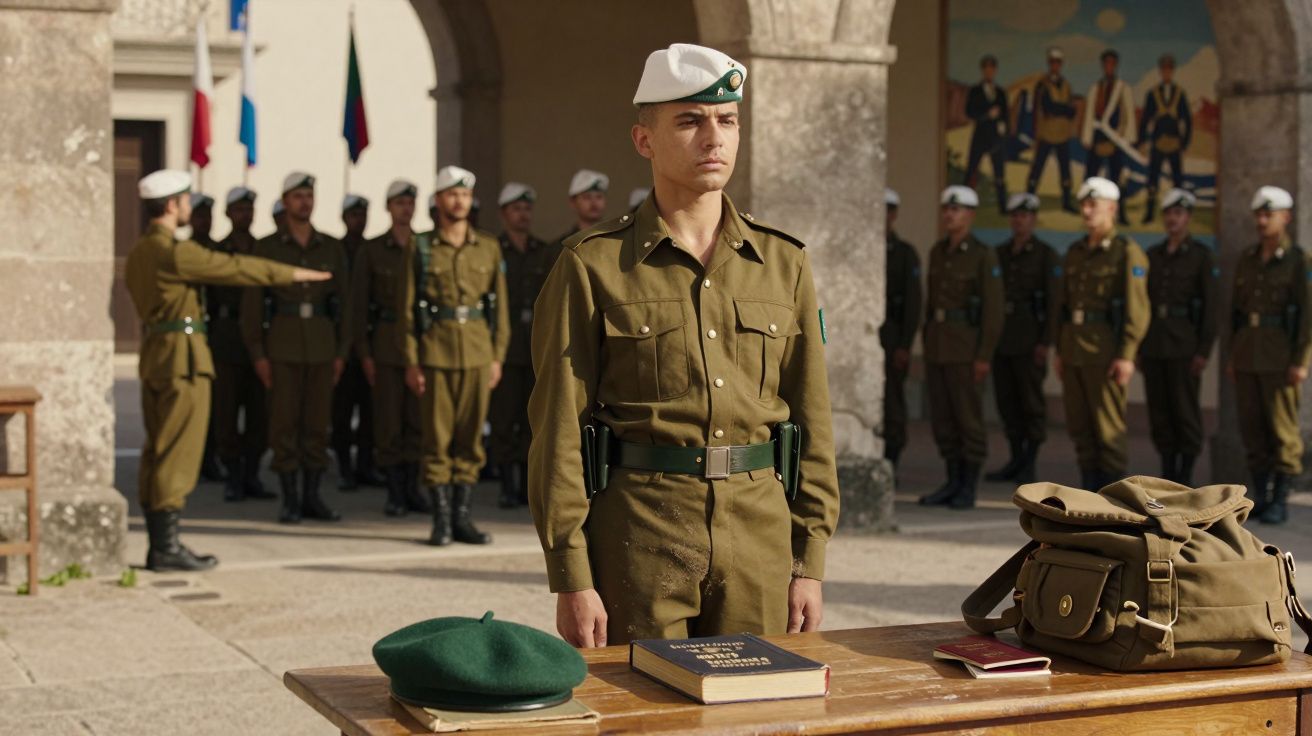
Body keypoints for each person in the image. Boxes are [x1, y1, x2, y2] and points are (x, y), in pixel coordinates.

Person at [530, 43, 840, 647]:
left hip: (759, 540)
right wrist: (571, 574)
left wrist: (810, 558)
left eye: (727, 121)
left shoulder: (784, 264)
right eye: (690, 120)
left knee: (755, 713)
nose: (713, 138)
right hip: (639, 539)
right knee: (644, 714)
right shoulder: (592, 265)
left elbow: (813, 421)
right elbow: (559, 430)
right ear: (644, 140)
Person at [125, 170, 329, 570]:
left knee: (157, 449)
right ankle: (166, 547)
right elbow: (234, 267)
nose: (188, 207)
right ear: (171, 205)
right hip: (183, 358)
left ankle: (159, 543)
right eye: (185, 200)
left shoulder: (139, 252)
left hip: (156, 354)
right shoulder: (175, 251)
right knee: (177, 454)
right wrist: (292, 273)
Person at [399, 165, 509, 546]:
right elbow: (408, 308)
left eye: (464, 195)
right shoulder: (422, 246)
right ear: (438, 201)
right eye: (452, 194)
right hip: (435, 352)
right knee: (437, 441)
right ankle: (441, 520)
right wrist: (412, 360)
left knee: (471, 441)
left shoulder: (489, 246)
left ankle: (463, 517)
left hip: (478, 352)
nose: (459, 201)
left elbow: (500, 310)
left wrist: (497, 356)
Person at [241, 172, 352, 524]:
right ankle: (290, 499)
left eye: (309, 195)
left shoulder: (331, 247)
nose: (305, 202)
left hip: (322, 344)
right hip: (282, 345)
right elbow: (253, 306)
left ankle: (312, 497)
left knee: (318, 425)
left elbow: (346, 304)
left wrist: (341, 351)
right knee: (284, 424)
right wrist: (258, 354)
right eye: (297, 196)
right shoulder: (268, 247)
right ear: (285, 202)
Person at [1053, 177, 1150, 490]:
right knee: (1080, 427)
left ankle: (1113, 498)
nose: (1087, 210)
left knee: (1107, 430)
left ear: (1112, 208)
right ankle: (1089, 492)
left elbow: (1137, 309)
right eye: (1084, 203)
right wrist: (1059, 349)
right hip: (1074, 348)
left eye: (1093, 204)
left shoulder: (1126, 252)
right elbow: (1065, 304)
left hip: (1105, 351)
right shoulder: (1076, 251)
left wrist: (1126, 354)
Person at [918, 186, 1004, 509]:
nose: (949, 215)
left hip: (966, 350)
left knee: (968, 418)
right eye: (946, 210)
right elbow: (930, 303)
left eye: (956, 210)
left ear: (969, 215)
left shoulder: (982, 255)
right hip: (939, 346)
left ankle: (968, 485)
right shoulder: (938, 252)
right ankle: (952, 480)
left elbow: (992, 311)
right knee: (943, 418)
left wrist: (983, 355)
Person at [1229, 186, 1311, 524]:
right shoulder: (1248, 258)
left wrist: (1300, 362)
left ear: (1286, 217)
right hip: (1248, 353)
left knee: (1282, 430)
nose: (1262, 221)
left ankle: (1282, 497)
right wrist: (1234, 355)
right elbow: (1235, 312)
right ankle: (1261, 496)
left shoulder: (1298, 261)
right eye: (1258, 215)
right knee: (1253, 427)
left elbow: (1308, 317)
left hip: (1280, 357)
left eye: (1269, 214)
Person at [350, 180, 428, 516]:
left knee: (417, 419)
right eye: (399, 203)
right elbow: (359, 305)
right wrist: (365, 353)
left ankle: (413, 488)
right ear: (388, 207)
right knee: (388, 421)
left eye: (410, 203)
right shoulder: (372, 250)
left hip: (421, 344)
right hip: (384, 343)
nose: (405, 209)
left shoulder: (425, 246)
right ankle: (394, 491)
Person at [1139, 189, 1217, 485]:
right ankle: (1167, 471)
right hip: (1154, 345)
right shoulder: (1153, 255)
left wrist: (1204, 350)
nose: (1172, 219)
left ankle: (1185, 475)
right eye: (1168, 214)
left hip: (1184, 345)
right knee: (1160, 412)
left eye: (1178, 214)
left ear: (1188, 218)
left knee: (1184, 411)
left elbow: (1211, 307)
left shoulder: (1200, 257)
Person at [985, 193, 1058, 486]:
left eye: (1025, 216)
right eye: (1015, 215)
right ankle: (1015, 459)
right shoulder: (1000, 253)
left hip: (1030, 338)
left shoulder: (1045, 254)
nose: (1020, 221)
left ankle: (1029, 462)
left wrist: (1046, 342)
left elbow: (1053, 302)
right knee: (1007, 402)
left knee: (1031, 403)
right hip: (1003, 337)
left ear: (1034, 219)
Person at [488, 182, 554, 508]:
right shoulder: (493, 250)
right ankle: (505, 482)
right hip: (505, 347)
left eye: (527, 208)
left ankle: (527, 483)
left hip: (535, 347)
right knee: (503, 418)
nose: (523, 214)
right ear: (504, 214)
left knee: (533, 419)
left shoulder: (543, 251)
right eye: (516, 209)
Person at [209, 186, 275, 502]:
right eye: (238, 210)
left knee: (259, 413)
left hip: (259, 342)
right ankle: (232, 475)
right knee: (226, 412)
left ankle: (251, 474)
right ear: (228, 214)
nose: (244, 216)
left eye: (249, 210)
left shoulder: (262, 249)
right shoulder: (218, 251)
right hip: (226, 338)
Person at [331, 194, 383, 491]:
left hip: (370, 342)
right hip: (342, 343)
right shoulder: (336, 250)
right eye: (353, 216)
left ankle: (365, 465)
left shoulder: (373, 249)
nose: (358, 221)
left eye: (362, 215)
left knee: (370, 410)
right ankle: (344, 466)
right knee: (341, 410)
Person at [881, 188, 921, 471]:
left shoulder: (905, 253)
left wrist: (906, 344)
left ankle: (893, 458)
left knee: (893, 401)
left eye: (886, 210)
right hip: (872, 334)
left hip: (894, 335)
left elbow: (913, 302)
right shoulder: (863, 247)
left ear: (893, 215)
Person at [190, 192, 225, 483]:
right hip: (192, 336)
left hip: (220, 335)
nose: (205, 221)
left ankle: (213, 456)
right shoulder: (183, 251)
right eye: (199, 216)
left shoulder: (219, 251)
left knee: (218, 404)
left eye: (208, 216)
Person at [1080, 49, 1135, 227]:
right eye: (1106, 63)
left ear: (1115, 65)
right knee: (1090, 176)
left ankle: (1121, 212)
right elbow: (1090, 114)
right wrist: (1087, 136)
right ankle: (1087, 212)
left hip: (1115, 137)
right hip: (1098, 136)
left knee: (1117, 178)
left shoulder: (1122, 88)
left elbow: (1127, 114)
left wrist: (1125, 137)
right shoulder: (1096, 88)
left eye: (1111, 63)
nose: (1108, 67)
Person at [1138, 54, 1192, 225]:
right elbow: (1145, 118)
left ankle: (1180, 214)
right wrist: (1142, 141)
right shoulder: (1153, 94)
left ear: (1172, 71)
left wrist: (1185, 142)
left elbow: (1188, 120)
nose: (1166, 72)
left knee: (1178, 180)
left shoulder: (1179, 93)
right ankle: (1150, 211)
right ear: (1161, 71)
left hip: (1175, 142)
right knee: (1153, 178)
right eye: (1164, 69)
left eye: (1169, 69)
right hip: (1158, 141)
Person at [1027, 47, 1078, 213]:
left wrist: (1062, 109)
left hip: (1062, 134)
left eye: (1058, 62)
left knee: (1065, 170)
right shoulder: (1043, 84)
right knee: (1037, 168)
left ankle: (1066, 201)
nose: (1055, 65)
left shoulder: (1067, 85)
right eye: (1053, 62)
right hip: (1046, 133)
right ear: (1049, 64)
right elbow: (1048, 107)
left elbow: (1072, 110)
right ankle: (1029, 199)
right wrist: (1063, 109)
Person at [964, 54, 1009, 214]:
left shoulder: (1000, 92)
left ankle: (1002, 207)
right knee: (971, 169)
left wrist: (1003, 130)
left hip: (996, 138)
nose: (989, 72)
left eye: (992, 69)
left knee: (999, 174)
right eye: (986, 69)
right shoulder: (975, 91)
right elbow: (969, 112)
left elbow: (1006, 115)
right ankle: (965, 203)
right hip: (980, 135)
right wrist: (986, 115)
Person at [553, 169, 609, 245]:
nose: (594, 202)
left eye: (599, 197)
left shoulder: (616, 242)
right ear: (573, 202)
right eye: (587, 197)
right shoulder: (562, 247)